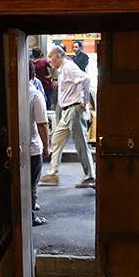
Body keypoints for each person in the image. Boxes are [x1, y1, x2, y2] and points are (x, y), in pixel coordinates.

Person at [39, 46, 95, 188]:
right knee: (57, 138)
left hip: (74, 109)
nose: (49, 60)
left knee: (81, 144)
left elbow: (86, 78)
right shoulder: (63, 68)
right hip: (68, 111)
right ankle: (52, 174)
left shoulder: (68, 67)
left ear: (58, 56)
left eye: (51, 56)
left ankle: (90, 176)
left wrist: (84, 100)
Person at [28, 61, 50, 226]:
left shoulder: (12, 93)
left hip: (17, 146)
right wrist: (46, 147)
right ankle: (31, 216)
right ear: (34, 76)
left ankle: (27, 210)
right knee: (32, 184)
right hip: (32, 146)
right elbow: (42, 124)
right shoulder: (35, 94)